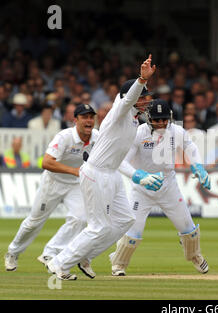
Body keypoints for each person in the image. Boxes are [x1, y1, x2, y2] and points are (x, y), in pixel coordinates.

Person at [46, 55, 156, 280]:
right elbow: (127, 100)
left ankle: (85, 256)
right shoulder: (120, 111)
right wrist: (141, 81)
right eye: (143, 98)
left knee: (125, 220)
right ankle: (59, 263)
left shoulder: (135, 120)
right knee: (98, 226)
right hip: (95, 172)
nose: (146, 102)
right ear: (131, 97)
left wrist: (136, 176)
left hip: (111, 174)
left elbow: (119, 158)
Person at [110, 99, 210, 276]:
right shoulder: (138, 133)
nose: (161, 123)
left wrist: (198, 166)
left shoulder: (177, 131)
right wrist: (138, 176)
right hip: (142, 188)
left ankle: (195, 256)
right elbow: (122, 162)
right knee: (133, 233)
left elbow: (190, 147)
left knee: (188, 228)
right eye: (157, 120)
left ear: (169, 118)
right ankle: (119, 264)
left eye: (164, 119)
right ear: (149, 118)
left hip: (168, 185)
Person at [4, 104, 98, 277]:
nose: (89, 120)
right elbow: (46, 163)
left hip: (76, 184)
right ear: (75, 120)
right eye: (84, 117)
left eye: (91, 117)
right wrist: (74, 171)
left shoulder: (97, 137)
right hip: (53, 182)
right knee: (34, 222)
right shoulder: (64, 137)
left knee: (79, 218)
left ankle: (51, 253)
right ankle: (13, 252)